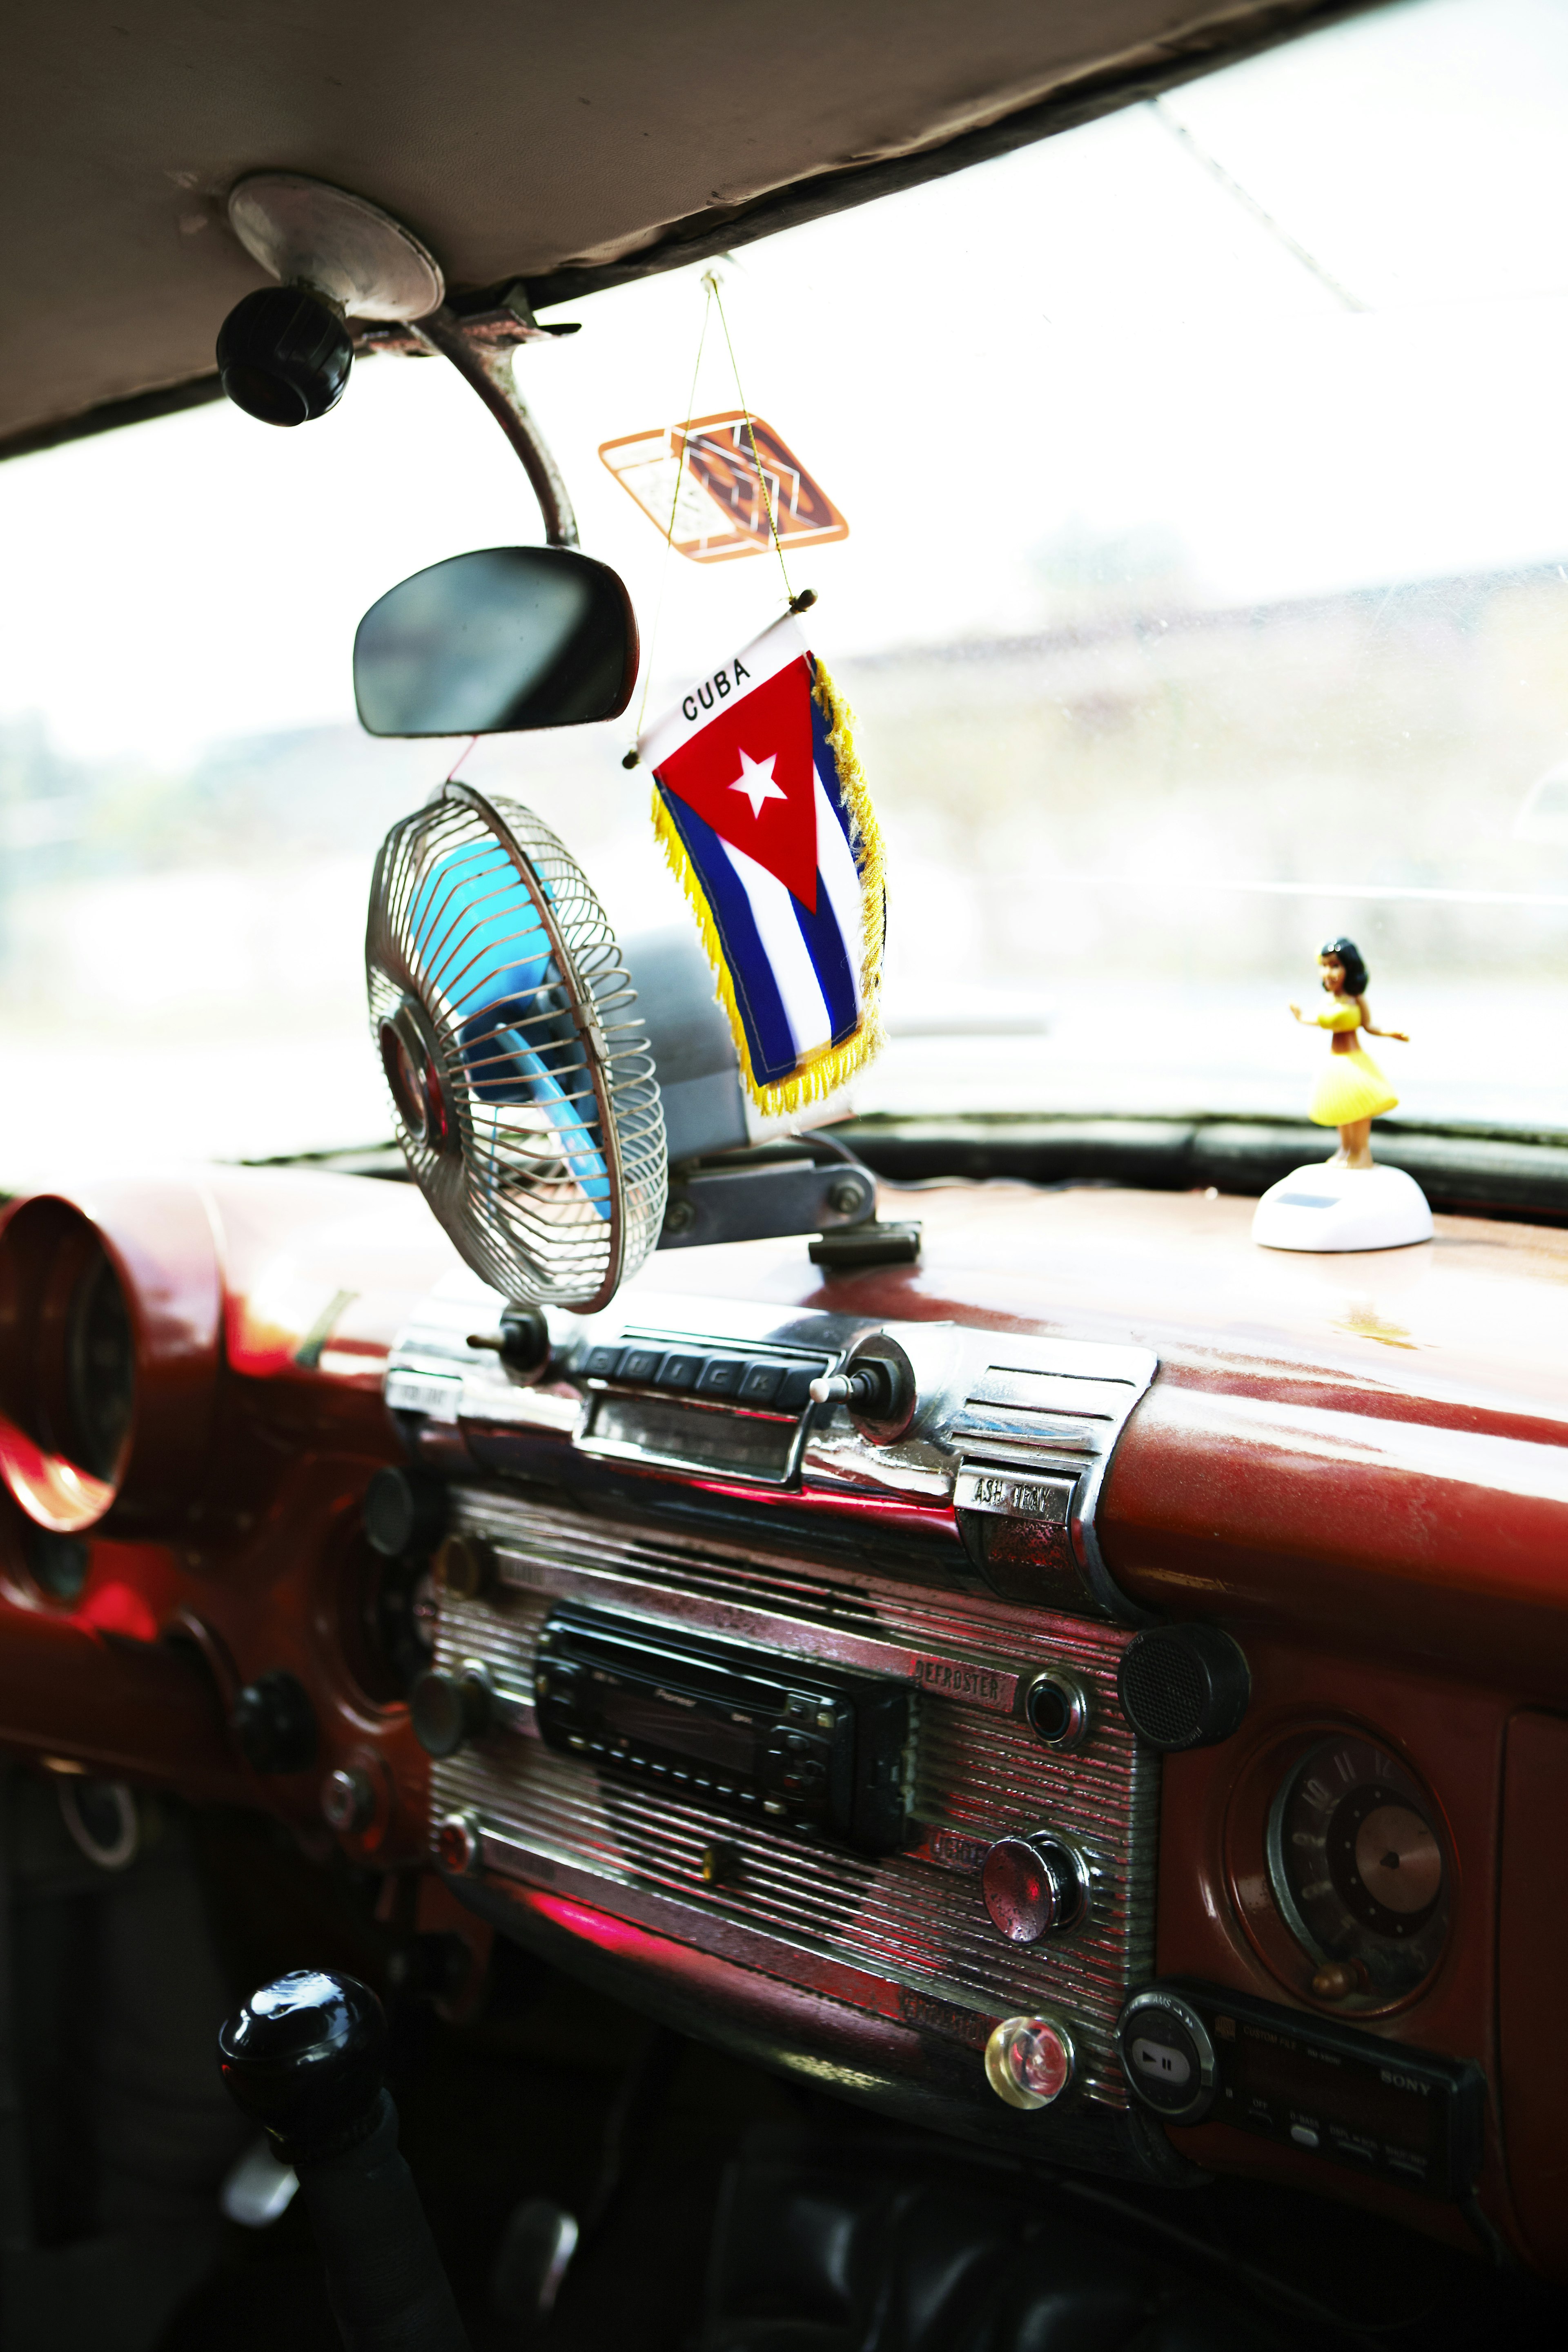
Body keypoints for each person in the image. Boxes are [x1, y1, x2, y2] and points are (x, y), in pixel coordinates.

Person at [1288, 937, 1410, 1169]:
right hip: (1334, 1063)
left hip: (1354, 1061)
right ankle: (1345, 1149)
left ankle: (1361, 1151)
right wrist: (1300, 1016)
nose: (1329, 972)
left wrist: (1391, 1033)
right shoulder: (1329, 999)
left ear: (1349, 968)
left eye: (1335, 966)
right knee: (1341, 1108)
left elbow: (1369, 1026)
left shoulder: (1356, 999)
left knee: (1359, 1110)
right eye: (1324, 966)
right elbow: (1318, 1020)